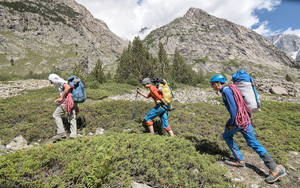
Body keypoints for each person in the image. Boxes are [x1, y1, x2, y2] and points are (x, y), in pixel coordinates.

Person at [210, 74, 286, 183]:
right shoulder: (225, 91)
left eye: (212, 84)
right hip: (245, 119)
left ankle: (272, 168)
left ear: (218, 83)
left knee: (228, 136)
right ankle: (273, 167)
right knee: (252, 142)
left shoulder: (226, 91)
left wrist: (232, 123)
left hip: (239, 121)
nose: (211, 86)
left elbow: (234, 109)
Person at [48, 73, 78, 139]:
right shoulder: (63, 80)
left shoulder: (60, 81)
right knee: (72, 116)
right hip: (74, 100)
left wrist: (61, 98)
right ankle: (73, 134)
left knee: (56, 115)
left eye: (51, 81)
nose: (52, 83)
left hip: (69, 101)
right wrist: (61, 100)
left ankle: (61, 133)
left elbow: (67, 87)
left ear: (53, 79)